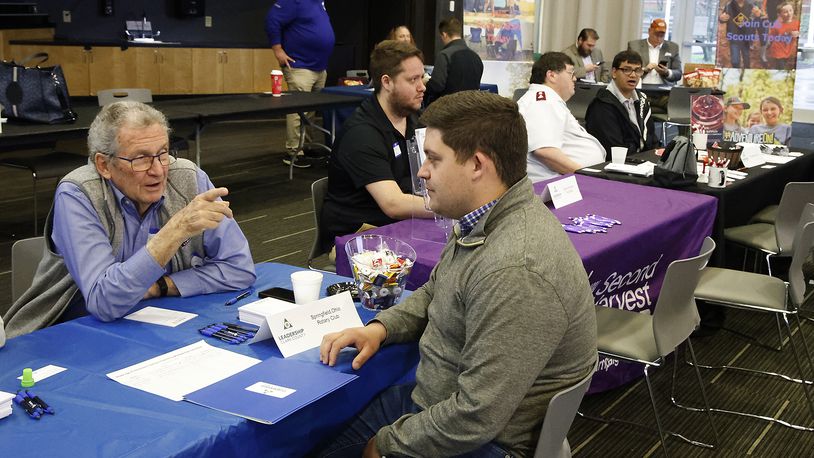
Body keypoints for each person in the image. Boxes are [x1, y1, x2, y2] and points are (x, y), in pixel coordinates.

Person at [317, 90, 597, 458]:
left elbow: (476, 417)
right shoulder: (484, 220)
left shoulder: (515, 268)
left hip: (483, 439)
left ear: (477, 165)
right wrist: (381, 328)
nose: (422, 171)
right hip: (442, 404)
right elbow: (438, 289)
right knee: (318, 436)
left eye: (434, 158)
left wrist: (385, 447)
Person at [3, 101, 256, 338]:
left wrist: (161, 286)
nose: (157, 170)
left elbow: (239, 268)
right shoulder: (79, 193)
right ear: (104, 165)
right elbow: (105, 303)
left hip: (159, 324)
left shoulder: (189, 178)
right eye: (141, 158)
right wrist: (175, 230)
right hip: (72, 331)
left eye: (163, 153)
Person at [320, 40, 433, 253]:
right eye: (413, 80)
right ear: (387, 82)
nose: (422, 87)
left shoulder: (416, 118)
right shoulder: (362, 134)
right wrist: (451, 207)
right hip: (361, 235)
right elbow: (394, 204)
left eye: (422, 77)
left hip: (403, 224)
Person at [265, 0, 335, 168]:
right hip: (300, 66)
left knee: (309, 110)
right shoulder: (294, 1)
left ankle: (305, 146)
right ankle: (293, 152)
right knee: (298, 110)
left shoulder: (318, 3)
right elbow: (272, 19)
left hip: (318, 67)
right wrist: (277, 49)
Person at [517, 52, 605, 182]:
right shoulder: (542, 101)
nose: (574, 79)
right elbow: (545, 151)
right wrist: (584, 175)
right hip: (555, 184)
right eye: (571, 73)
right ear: (551, 75)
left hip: (564, 180)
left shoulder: (548, 100)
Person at [585, 51, 658, 158]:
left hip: (643, 161)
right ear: (614, 72)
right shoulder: (602, 105)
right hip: (618, 165)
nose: (633, 75)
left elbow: (652, 138)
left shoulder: (642, 100)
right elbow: (613, 149)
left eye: (637, 70)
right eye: (627, 70)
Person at [424, 17, 484, 106]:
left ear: (444, 35)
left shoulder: (444, 55)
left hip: (447, 111)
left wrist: (425, 83)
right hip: (471, 112)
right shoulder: (476, 58)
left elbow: (436, 86)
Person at [628, 19, 682, 85]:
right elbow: (628, 69)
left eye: (662, 35)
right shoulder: (634, 46)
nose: (659, 38)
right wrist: (644, 70)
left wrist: (666, 72)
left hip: (664, 89)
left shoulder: (673, 47)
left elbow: (678, 73)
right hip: (641, 86)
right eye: (656, 34)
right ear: (649, 31)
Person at [718, 0, 762, 69]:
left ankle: (746, 71)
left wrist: (758, 16)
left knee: (746, 57)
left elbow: (757, 20)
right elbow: (723, 18)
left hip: (746, 37)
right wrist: (721, 18)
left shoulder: (751, 5)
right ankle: (736, 72)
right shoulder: (729, 6)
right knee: (735, 61)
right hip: (734, 37)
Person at [765, 2, 800, 69]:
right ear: (780, 14)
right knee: (781, 67)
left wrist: (798, 34)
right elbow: (771, 37)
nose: (789, 13)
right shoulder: (777, 24)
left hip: (788, 50)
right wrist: (787, 34)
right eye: (785, 12)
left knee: (781, 65)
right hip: (778, 50)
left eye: (790, 10)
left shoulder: (797, 23)